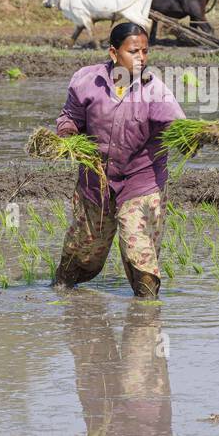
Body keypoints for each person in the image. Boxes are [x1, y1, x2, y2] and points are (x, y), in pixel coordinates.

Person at [52, 21, 185, 298]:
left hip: (141, 181)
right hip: (95, 181)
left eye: (145, 52)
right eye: (134, 52)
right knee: (83, 248)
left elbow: (178, 127)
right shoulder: (86, 81)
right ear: (114, 53)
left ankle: (147, 313)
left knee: (140, 253)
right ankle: (61, 292)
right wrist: (67, 135)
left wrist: (191, 136)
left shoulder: (155, 90)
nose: (141, 58)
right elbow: (70, 117)